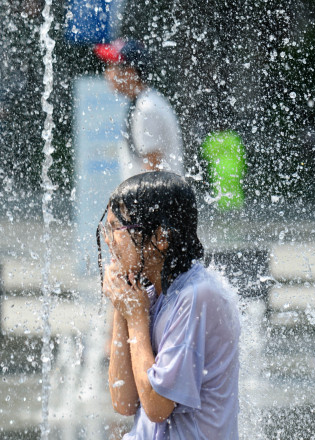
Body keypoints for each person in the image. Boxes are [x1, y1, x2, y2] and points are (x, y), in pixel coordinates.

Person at [97, 171, 240, 439]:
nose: (108, 240)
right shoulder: (153, 292)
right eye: (106, 229)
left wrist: (136, 318)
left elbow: (156, 406)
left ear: (161, 237)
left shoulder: (197, 297)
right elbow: (123, 401)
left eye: (117, 229)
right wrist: (122, 305)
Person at [94, 39, 184, 180]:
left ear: (130, 72)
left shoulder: (147, 110)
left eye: (112, 67)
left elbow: (153, 174)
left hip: (156, 193)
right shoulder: (143, 102)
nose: (107, 73)